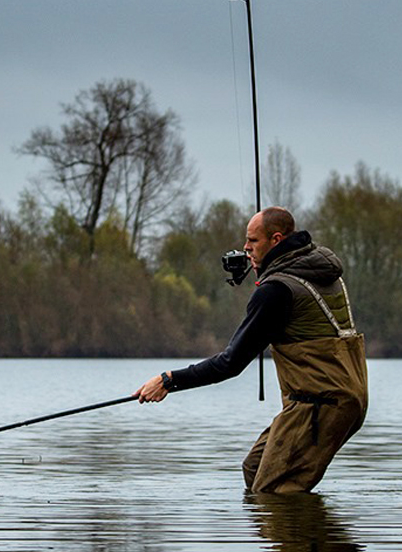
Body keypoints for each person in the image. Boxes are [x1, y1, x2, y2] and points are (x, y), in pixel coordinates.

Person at [136, 206, 368, 493]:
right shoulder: (318, 270)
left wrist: (169, 380)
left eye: (253, 241)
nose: (245, 248)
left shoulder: (277, 290)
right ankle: (303, 532)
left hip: (320, 404)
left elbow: (229, 364)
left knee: (275, 491)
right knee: (255, 467)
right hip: (340, 399)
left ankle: (304, 537)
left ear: (277, 240)